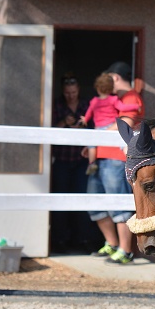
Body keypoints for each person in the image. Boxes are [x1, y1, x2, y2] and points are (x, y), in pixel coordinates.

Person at [87, 61, 145, 265]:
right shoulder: (116, 99)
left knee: (118, 205)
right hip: (102, 157)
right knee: (95, 203)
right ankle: (112, 244)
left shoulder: (131, 97)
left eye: (109, 78)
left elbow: (125, 124)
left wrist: (94, 137)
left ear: (116, 78)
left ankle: (125, 250)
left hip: (116, 159)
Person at [50, 73, 98, 253]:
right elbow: (49, 130)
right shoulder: (56, 105)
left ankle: (83, 239)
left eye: (74, 92)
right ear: (63, 92)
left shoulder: (86, 105)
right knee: (60, 200)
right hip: (61, 160)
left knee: (82, 200)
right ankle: (60, 240)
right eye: (68, 92)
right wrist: (64, 122)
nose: (71, 95)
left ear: (78, 91)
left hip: (81, 161)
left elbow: (95, 127)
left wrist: (82, 127)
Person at [79, 72, 140, 175]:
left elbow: (89, 113)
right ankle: (131, 160)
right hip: (109, 129)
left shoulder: (94, 101)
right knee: (124, 144)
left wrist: (85, 119)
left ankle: (91, 163)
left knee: (91, 145)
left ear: (97, 88)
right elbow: (123, 108)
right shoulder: (114, 99)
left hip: (100, 131)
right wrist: (135, 107)